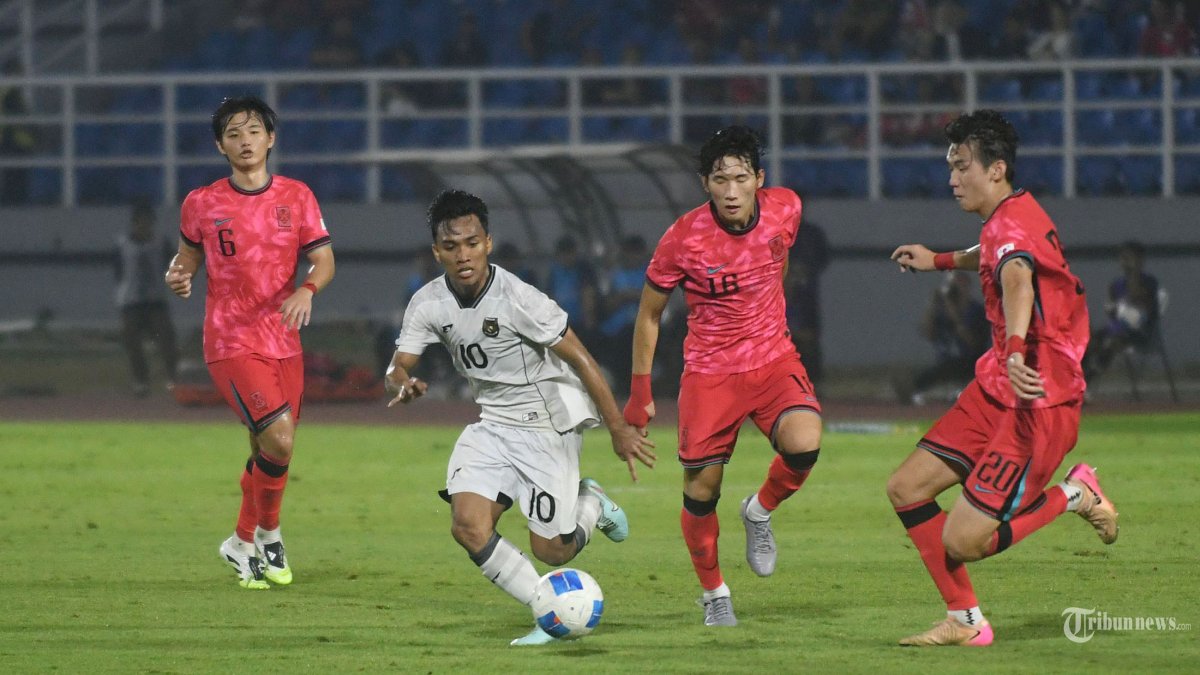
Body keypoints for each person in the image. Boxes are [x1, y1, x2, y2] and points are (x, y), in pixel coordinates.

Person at [886, 109, 1118, 647]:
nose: (952, 178)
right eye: (950, 167)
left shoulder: (1011, 226)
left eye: (962, 166)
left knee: (963, 541)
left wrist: (1015, 349)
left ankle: (1074, 494)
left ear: (996, 169)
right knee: (905, 488)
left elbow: (1018, 281)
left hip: (1038, 400)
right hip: (997, 387)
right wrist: (939, 259)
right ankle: (966, 622)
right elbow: (993, 257)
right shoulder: (1009, 215)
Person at [385, 189, 656, 646]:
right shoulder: (428, 302)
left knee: (553, 550)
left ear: (488, 242)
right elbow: (398, 365)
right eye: (451, 247)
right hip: (492, 423)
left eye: (472, 243)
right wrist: (401, 384)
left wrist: (617, 430)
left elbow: (584, 359)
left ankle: (591, 503)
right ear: (437, 252)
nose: (463, 255)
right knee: (468, 526)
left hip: (546, 422)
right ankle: (547, 612)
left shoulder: (520, 299)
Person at [623, 125, 823, 627]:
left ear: (759, 179)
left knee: (804, 444)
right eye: (719, 180)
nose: (731, 191)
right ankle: (715, 595)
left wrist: (772, 317)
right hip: (711, 372)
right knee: (701, 491)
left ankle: (758, 509)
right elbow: (649, 315)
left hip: (774, 358)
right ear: (705, 184)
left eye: (740, 178)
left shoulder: (787, 208)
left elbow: (778, 255)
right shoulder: (682, 239)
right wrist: (640, 393)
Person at [165, 95, 335, 590]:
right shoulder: (202, 202)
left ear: (271, 138)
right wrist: (178, 277)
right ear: (221, 145)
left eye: (254, 131)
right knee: (278, 438)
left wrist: (306, 289)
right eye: (234, 134)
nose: (245, 141)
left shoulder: (297, 196)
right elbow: (185, 261)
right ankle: (256, 536)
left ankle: (257, 538)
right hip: (231, 338)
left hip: (284, 338)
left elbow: (323, 262)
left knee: (272, 447)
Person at [115, 199, 179, 397]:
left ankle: (172, 378)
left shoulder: (160, 242)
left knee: (166, 337)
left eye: (148, 221)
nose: (144, 226)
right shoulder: (123, 244)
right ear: (134, 223)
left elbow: (171, 266)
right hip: (131, 301)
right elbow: (118, 272)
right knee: (132, 340)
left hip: (155, 299)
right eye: (141, 222)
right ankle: (140, 381)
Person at [895, 270, 989, 405]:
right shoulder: (942, 312)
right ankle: (912, 391)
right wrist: (932, 304)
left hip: (970, 362)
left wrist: (955, 316)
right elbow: (928, 333)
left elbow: (973, 342)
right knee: (936, 372)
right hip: (946, 361)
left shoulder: (977, 311)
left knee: (953, 372)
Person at [1083, 240, 1160, 383]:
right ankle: (1078, 377)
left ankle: (1089, 379)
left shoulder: (1150, 282)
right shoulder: (1116, 285)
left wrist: (1134, 274)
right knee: (1089, 341)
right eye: (1123, 258)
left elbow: (1145, 306)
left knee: (1114, 342)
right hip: (1117, 327)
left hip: (1141, 332)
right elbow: (1112, 311)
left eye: (1130, 258)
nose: (1125, 262)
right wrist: (1114, 309)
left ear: (1139, 260)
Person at [783, 220, 830, 384]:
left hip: (794, 341)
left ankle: (812, 385)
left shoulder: (802, 301)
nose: (792, 280)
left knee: (807, 346)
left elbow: (807, 332)